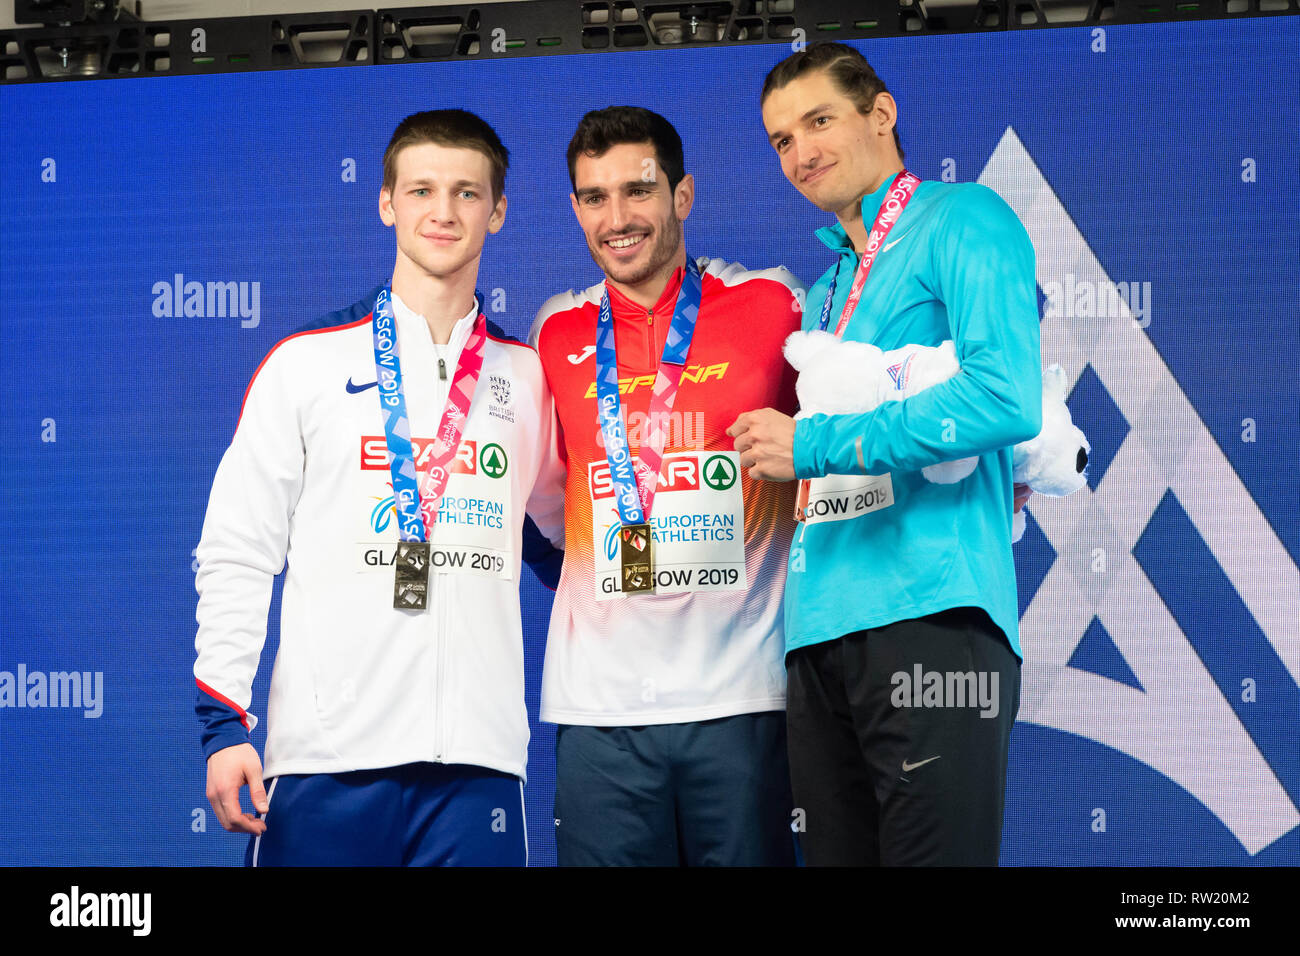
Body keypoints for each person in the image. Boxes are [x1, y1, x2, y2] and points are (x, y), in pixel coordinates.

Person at [193, 108, 564, 866]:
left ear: (497, 210)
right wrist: (225, 722)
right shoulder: (304, 363)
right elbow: (236, 549)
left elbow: (564, 543)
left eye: (467, 193)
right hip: (324, 763)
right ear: (387, 202)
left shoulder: (527, 377)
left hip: (478, 769)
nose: (443, 211)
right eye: (422, 189)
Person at [729, 42, 1041, 866]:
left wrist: (814, 443)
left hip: (933, 621)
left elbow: (1005, 395)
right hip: (819, 635)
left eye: (819, 121)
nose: (801, 152)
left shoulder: (964, 217)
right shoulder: (828, 287)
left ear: (882, 112)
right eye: (781, 140)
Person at [528, 106, 803, 866]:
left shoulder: (774, 303)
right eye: (593, 197)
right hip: (600, 708)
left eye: (638, 191)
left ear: (682, 195)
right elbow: (548, 502)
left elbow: (842, 449)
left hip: (744, 696)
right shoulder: (556, 330)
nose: (617, 218)